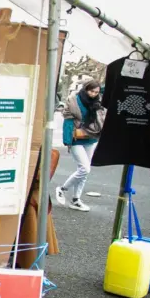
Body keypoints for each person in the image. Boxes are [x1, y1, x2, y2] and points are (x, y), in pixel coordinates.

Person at [55, 80, 104, 212]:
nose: (94, 94)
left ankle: (76, 199)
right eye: (91, 91)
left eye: (96, 92)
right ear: (85, 89)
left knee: (84, 171)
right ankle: (62, 189)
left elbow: (108, 89)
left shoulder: (98, 101)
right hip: (76, 138)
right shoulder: (74, 101)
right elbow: (68, 120)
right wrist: (67, 141)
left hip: (91, 138)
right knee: (85, 169)